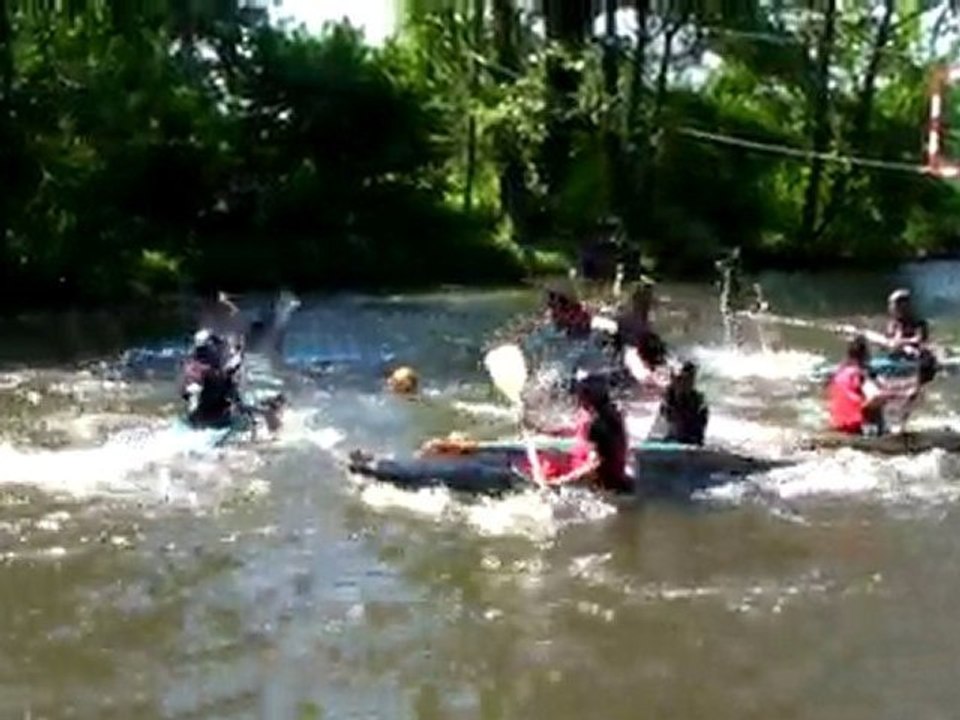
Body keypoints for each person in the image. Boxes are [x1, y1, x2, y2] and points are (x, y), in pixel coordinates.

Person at [520, 373, 630, 493]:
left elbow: (593, 466)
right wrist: (535, 431)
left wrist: (559, 482)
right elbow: (567, 430)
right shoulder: (588, 414)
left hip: (601, 487)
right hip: (593, 480)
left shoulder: (600, 423)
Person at [827, 335, 900, 435]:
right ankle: (882, 433)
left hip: (837, 423)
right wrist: (889, 396)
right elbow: (875, 397)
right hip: (856, 427)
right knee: (876, 403)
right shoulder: (861, 374)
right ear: (866, 355)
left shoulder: (839, 372)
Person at [181, 330, 243, 428]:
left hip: (201, 416)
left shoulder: (192, 365)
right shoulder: (201, 370)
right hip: (214, 418)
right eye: (216, 346)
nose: (218, 349)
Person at [648, 361, 709, 445]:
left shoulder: (699, 403)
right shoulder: (667, 400)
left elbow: (698, 434)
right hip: (669, 441)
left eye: (689, 379)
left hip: (690, 441)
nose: (685, 383)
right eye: (681, 379)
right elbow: (657, 432)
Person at [884, 288, 937, 385]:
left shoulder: (919, 323)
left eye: (893, 305)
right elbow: (889, 339)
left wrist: (901, 342)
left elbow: (918, 339)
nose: (890, 308)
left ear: (904, 305)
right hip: (899, 355)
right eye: (890, 304)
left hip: (916, 356)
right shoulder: (893, 323)